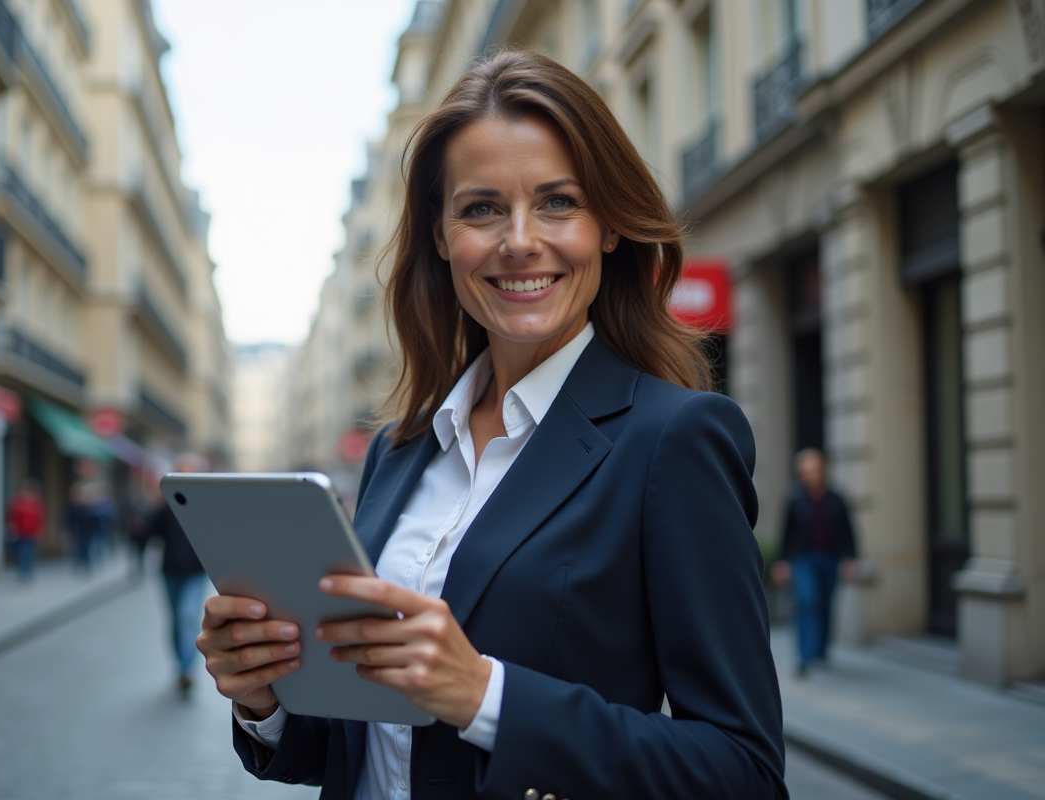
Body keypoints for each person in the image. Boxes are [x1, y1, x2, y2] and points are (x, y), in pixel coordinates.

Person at [198, 51, 786, 798]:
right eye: (480, 208)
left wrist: (484, 697)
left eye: (558, 203)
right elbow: (365, 744)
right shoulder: (399, 450)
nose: (518, 240)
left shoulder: (675, 440)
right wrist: (264, 697)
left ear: (608, 227)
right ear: (440, 237)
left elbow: (744, 771)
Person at [771, 449, 858, 677]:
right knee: (806, 601)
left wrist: (850, 559)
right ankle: (804, 657)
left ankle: (821, 650)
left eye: (812, 470)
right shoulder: (794, 498)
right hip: (803, 559)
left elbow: (848, 532)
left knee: (825, 604)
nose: (807, 475)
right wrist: (782, 562)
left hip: (830, 558)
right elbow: (786, 532)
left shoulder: (837, 499)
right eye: (803, 471)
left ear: (822, 470)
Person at [141, 454, 207, 696]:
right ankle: (180, 666)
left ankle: (187, 670)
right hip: (170, 572)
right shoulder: (165, 506)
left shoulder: (205, 507)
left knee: (187, 616)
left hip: (195, 573)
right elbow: (147, 535)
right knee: (176, 621)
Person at [7, 480, 46, 580]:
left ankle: (28, 570)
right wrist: (12, 527)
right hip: (21, 532)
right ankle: (22, 570)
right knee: (22, 552)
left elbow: (40, 518)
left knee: (30, 552)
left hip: (32, 532)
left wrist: (40, 530)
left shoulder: (36, 503)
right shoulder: (18, 502)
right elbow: (13, 516)